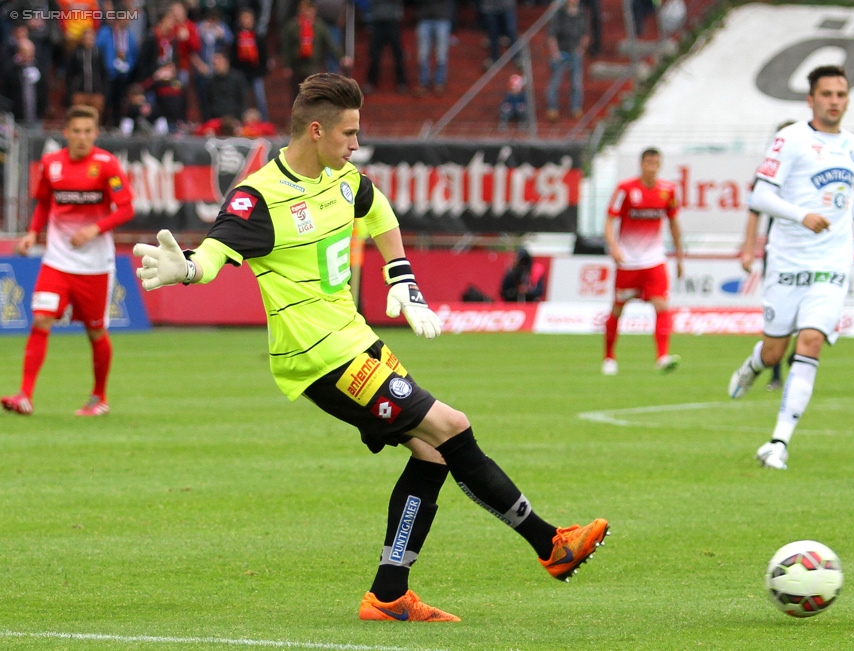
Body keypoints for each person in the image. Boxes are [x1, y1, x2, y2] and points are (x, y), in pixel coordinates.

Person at [131, 72, 609, 622]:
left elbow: (380, 212)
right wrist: (188, 268)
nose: (356, 145)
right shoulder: (258, 196)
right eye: (349, 134)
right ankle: (551, 544)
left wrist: (402, 278)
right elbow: (216, 254)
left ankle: (387, 595)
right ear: (316, 131)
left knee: (431, 456)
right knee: (451, 426)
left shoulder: (344, 180)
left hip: (356, 340)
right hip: (319, 356)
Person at [728, 65, 854, 470]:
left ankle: (778, 443)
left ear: (847, 99)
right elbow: (762, 195)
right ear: (811, 99)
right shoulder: (790, 139)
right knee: (774, 350)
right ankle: (754, 366)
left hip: (833, 260)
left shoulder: (853, 145)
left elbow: (844, 195)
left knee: (811, 342)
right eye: (827, 94)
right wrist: (800, 215)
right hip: (787, 261)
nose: (834, 101)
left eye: (841, 94)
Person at [1, 105, 135, 417]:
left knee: (96, 332)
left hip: (95, 267)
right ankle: (25, 395)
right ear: (66, 133)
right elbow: (44, 204)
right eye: (76, 131)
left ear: (96, 134)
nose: (82, 137)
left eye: (88, 132)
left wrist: (94, 229)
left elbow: (126, 208)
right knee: (41, 320)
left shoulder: (107, 165)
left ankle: (99, 397)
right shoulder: (51, 164)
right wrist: (32, 233)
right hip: (57, 263)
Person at [602, 147, 684, 376]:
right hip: (628, 261)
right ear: (641, 164)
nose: (651, 167)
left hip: (654, 260)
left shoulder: (668, 191)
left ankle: (662, 356)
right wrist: (614, 247)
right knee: (618, 309)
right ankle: (609, 356)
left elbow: (674, 225)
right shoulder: (625, 189)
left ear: (659, 165)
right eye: (648, 163)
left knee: (662, 305)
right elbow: (609, 221)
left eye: (655, 163)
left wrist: (679, 257)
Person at [739, 120, 796, 391]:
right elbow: (754, 213)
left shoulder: (812, 170)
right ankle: (775, 374)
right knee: (778, 312)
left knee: (809, 310)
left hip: (810, 252)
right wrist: (748, 250)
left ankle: (797, 352)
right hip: (778, 252)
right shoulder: (768, 173)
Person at [545, 0, 589, 122]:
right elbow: (552, 35)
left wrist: (581, 49)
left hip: (575, 51)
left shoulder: (581, 14)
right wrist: (555, 52)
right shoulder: (559, 14)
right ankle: (552, 108)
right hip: (561, 52)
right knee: (555, 82)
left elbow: (585, 34)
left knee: (576, 82)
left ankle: (576, 107)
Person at [414, 0, 451, 97]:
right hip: (424, 18)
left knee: (441, 53)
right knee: (423, 53)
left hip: (442, 17)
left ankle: (439, 82)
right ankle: (423, 81)